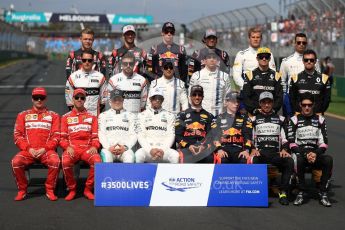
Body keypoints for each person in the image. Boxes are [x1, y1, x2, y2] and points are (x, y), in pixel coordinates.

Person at [12, 87, 60, 201]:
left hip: (46, 151)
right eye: (36, 98)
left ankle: (49, 189)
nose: (39, 100)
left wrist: (45, 148)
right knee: (15, 162)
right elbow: (17, 136)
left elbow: (56, 136)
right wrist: (28, 149)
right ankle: (22, 190)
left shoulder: (54, 115)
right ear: (32, 99)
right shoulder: (22, 115)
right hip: (28, 151)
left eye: (42, 98)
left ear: (45, 99)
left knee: (56, 161)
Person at [288, 93, 333, 207]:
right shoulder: (294, 120)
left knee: (328, 160)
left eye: (309, 105)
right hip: (300, 153)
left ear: (313, 105)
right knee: (299, 159)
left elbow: (324, 143)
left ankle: (323, 192)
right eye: (304, 105)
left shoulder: (320, 120)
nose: (307, 107)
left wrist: (316, 153)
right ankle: (301, 192)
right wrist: (306, 153)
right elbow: (291, 142)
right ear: (300, 105)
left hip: (315, 153)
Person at [249, 91, 293, 205]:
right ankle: (258, 192)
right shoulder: (253, 119)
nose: (266, 105)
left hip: (275, 153)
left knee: (289, 161)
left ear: (273, 103)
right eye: (264, 103)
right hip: (261, 153)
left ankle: (283, 192)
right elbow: (249, 137)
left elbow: (285, 138)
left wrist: (284, 149)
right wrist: (253, 149)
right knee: (254, 159)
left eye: (269, 102)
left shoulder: (281, 119)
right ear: (260, 104)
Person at [61, 88, 101, 201]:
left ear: (85, 100)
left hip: (87, 149)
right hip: (72, 148)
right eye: (77, 97)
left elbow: (95, 137)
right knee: (65, 161)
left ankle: (88, 189)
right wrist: (67, 147)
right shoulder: (65, 117)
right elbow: (62, 138)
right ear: (72, 99)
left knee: (97, 161)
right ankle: (72, 189)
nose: (79, 100)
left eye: (82, 98)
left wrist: (95, 146)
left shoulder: (92, 117)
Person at [280, 33, 321, 116]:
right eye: (299, 42)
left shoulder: (315, 62)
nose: (301, 44)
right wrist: (285, 98)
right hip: (292, 100)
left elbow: (319, 81)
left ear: (306, 44)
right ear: (294, 43)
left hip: (310, 102)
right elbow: (281, 81)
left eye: (304, 43)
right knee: (290, 127)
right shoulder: (286, 61)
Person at [135, 87, 179, 163]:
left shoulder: (170, 115)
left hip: (163, 150)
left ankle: (172, 175)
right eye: (155, 98)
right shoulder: (141, 115)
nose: (157, 100)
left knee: (175, 155)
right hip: (148, 149)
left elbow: (171, 135)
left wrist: (162, 150)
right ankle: (139, 175)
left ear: (163, 100)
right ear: (150, 99)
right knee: (138, 154)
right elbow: (140, 135)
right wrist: (150, 150)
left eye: (159, 98)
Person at [175, 85, 215, 163]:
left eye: (199, 95)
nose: (197, 97)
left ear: (203, 97)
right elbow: (178, 135)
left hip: (203, 148)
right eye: (194, 95)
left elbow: (211, 136)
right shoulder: (182, 115)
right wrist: (188, 146)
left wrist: (204, 146)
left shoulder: (209, 116)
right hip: (186, 148)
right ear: (190, 97)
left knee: (210, 158)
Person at [211, 91, 252, 164]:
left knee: (244, 159)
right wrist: (219, 149)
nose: (236, 104)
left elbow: (248, 135)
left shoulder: (245, 118)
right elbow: (215, 136)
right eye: (233, 101)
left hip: (239, 150)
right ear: (226, 102)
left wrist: (246, 150)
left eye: (238, 101)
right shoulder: (218, 118)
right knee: (222, 160)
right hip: (223, 149)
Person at [98, 89, 137, 163]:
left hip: (125, 149)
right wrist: (108, 147)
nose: (117, 102)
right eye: (114, 99)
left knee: (130, 157)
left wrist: (125, 147)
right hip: (109, 148)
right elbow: (101, 134)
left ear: (123, 101)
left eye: (119, 99)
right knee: (107, 158)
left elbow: (134, 134)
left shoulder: (131, 116)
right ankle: (108, 175)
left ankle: (127, 175)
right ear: (110, 101)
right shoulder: (103, 115)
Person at [65, 50, 107, 117]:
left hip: (94, 116)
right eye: (84, 60)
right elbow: (68, 99)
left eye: (89, 60)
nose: (87, 62)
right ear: (81, 60)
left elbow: (104, 99)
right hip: (78, 116)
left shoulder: (100, 77)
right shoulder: (73, 77)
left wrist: (96, 113)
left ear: (93, 61)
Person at [189, 51, 231, 116]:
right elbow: (190, 95)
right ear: (204, 61)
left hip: (218, 114)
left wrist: (224, 112)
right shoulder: (197, 75)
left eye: (214, 58)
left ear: (217, 61)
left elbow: (228, 96)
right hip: (201, 113)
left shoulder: (225, 76)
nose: (212, 60)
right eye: (209, 58)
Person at [289, 49, 331, 114]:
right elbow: (292, 98)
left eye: (311, 60)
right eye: (306, 60)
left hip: (317, 116)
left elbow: (327, 99)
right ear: (303, 61)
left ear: (315, 61)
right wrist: (297, 111)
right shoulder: (295, 78)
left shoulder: (324, 78)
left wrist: (320, 111)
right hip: (299, 116)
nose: (309, 62)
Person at [242, 47, 283, 115]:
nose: (264, 59)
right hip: (254, 114)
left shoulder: (277, 76)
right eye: (261, 57)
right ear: (257, 58)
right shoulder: (250, 75)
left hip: (271, 114)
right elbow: (246, 96)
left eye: (266, 57)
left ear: (270, 59)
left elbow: (279, 97)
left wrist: (273, 110)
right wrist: (254, 110)